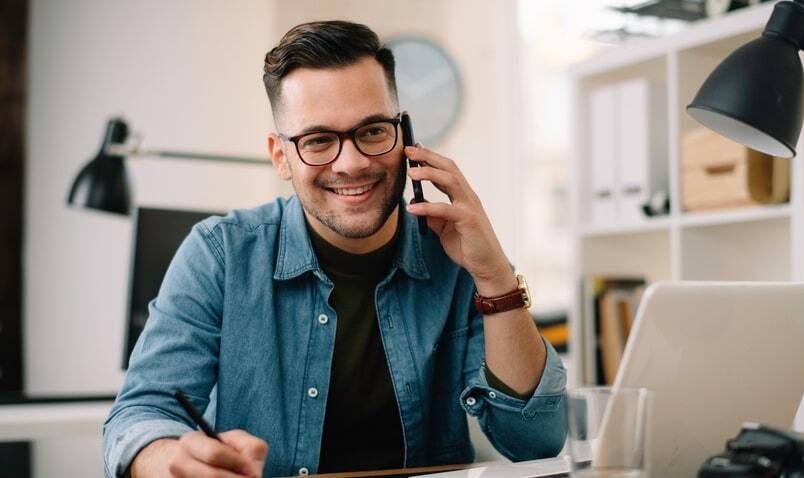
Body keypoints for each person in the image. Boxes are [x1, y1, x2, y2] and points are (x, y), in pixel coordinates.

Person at [102, 20, 566, 478]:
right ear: (281, 156)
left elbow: (535, 441)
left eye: (372, 131)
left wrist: (495, 280)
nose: (352, 163)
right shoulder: (220, 254)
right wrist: (171, 461)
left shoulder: (458, 255)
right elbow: (139, 415)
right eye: (319, 140)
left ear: (404, 134)